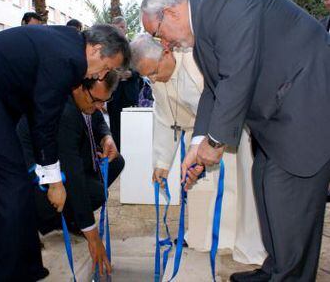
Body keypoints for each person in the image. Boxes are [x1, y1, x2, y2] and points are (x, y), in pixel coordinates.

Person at [141, 0, 330, 281]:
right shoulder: (202, 30)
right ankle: (275, 270)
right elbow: (212, 91)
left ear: (171, 13)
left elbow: (237, 77)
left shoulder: (229, 2)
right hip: (277, 119)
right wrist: (198, 145)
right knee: (266, 189)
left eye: (157, 33)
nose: (163, 43)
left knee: (288, 202)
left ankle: (292, 276)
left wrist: (215, 143)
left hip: (306, 110)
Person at [0, 24, 130, 281]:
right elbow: (44, 118)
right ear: (97, 50)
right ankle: (8, 274)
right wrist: (54, 181)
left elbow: (38, 108)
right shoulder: (70, 59)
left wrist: (48, 172)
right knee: (9, 191)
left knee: (16, 187)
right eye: (107, 67)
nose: (102, 75)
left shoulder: (69, 46)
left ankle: (28, 267)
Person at [130, 33, 266, 265]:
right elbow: (164, 118)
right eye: (147, 77)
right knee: (202, 190)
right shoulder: (157, 80)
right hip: (196, 137)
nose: (153, 80)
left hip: (226, 131)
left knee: (236, 189)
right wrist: (162, 163)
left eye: (153, 72)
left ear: (166, 52)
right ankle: (207, 238)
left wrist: (214, 141)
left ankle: (238, 240)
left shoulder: (195, 60)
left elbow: (223, 98)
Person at [17, 73, 124, 276]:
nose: (101, 106)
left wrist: (106, 137)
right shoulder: (64, 112)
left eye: (105, 101)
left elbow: (98, 119)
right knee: (94, 193)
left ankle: (73, 216)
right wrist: (93, 237)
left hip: (64, 159)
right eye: (97, 100)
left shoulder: (85, 99)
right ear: (79, 88)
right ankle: (47, 220)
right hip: (34, 173)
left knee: (116, 162)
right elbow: (73, 175)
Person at [107, 16, 140, 150]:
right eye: (116, 27)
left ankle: (133, 155)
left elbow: (141, 69)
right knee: (115, 129)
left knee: (132, 130)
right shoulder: (107, 48)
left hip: (130, 94)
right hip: (114, 94)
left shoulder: (134, 47)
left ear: (126, 29)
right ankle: (117, 156)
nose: (120, 30)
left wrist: (131, 74)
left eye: (122, 26)